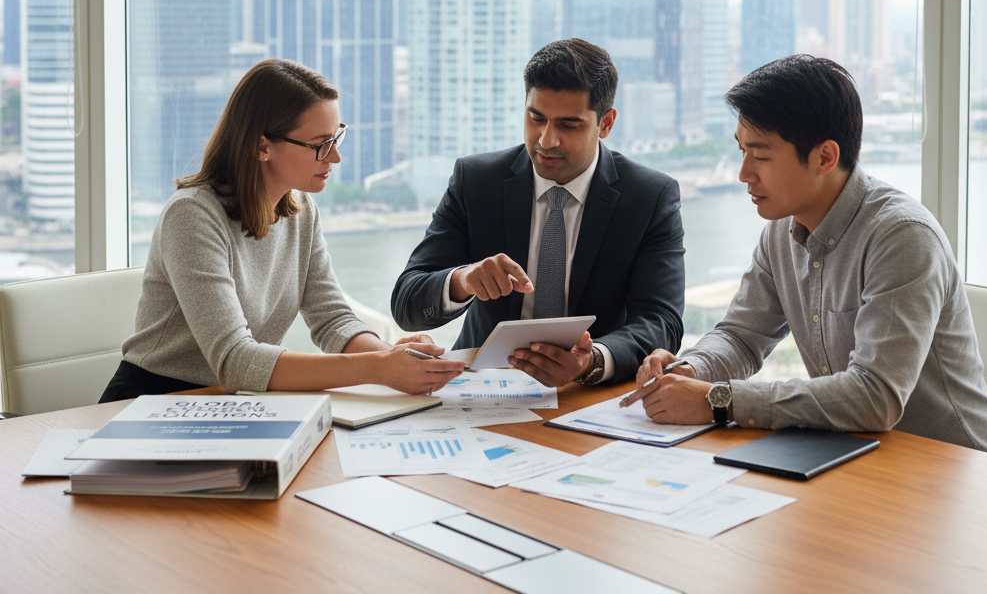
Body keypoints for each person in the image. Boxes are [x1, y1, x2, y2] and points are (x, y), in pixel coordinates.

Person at [623, 55, 987, 455]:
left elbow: (875, 396)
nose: (743, 173)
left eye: (761, 156)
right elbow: (742, 336)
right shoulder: (780, 230)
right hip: (855, 456)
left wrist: (718, 400)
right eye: (741, 151)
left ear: (825, 157)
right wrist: (691, 370)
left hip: (959, 471)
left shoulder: (902, 237)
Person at [100, 60, 465, 402]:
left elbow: (332, 319)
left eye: (336, 138)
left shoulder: (302, 212)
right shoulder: (191, 215)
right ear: (262, 146)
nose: (335, 157)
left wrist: (399, 359)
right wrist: (378, 368)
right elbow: (237, 361)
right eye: (321, 144)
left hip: (233, 402)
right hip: (154, 401)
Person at [391, 39, 686, 387]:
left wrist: (590, 361)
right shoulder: (476, 181)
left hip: (587, 393)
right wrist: (463, 280)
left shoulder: (649, 197)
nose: (546, 140)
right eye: (536, 118)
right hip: (480, 385)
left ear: (605, 123)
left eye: (569, 125)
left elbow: (661, 320)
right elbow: (406, 302)